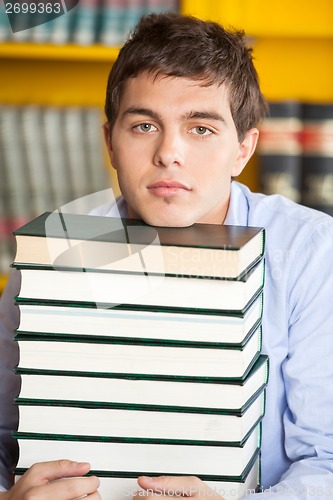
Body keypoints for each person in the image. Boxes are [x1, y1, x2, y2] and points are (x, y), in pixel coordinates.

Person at [1, 12, 333, 499]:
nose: (168, 153)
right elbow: (2, 436)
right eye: (143, 126)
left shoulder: (311, 251)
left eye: (200, 128)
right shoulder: (55, 251)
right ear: (109, 142)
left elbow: (325, 459)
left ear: (244, 148)